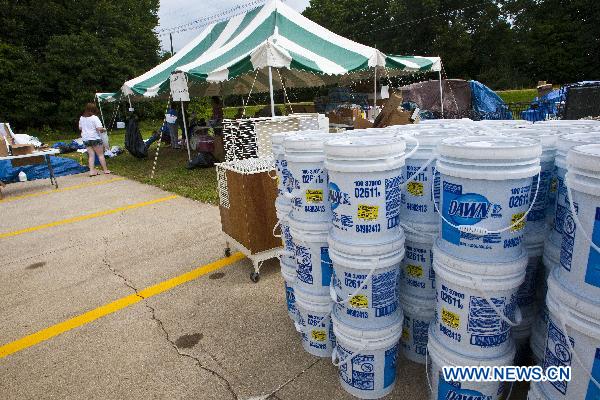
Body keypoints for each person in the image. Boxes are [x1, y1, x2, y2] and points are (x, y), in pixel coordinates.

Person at [79, 103, 110, 176]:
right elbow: (99, 128)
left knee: (91, 155)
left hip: (85, 138)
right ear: (94, 109)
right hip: (94, 138)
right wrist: (104, 129)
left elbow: (80, 128)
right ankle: (105, 170)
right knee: (100, 155)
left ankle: (91, 171)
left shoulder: (81, 117)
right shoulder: (94, 117)